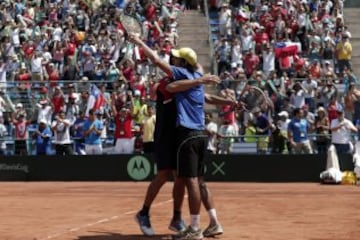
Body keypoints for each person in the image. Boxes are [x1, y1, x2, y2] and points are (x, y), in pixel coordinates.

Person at [130, 34, 227, 239]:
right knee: (166, 173)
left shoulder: (188, 78)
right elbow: (163, 69)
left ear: (182, 63)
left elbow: (204, 94)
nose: (171, 58)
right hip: (166, 133)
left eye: (174, 57)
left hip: (182, 133)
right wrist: (141, 43)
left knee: (183, 177)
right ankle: (144, 213)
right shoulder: (168, 82)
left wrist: (226, 102)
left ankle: (177, 218)